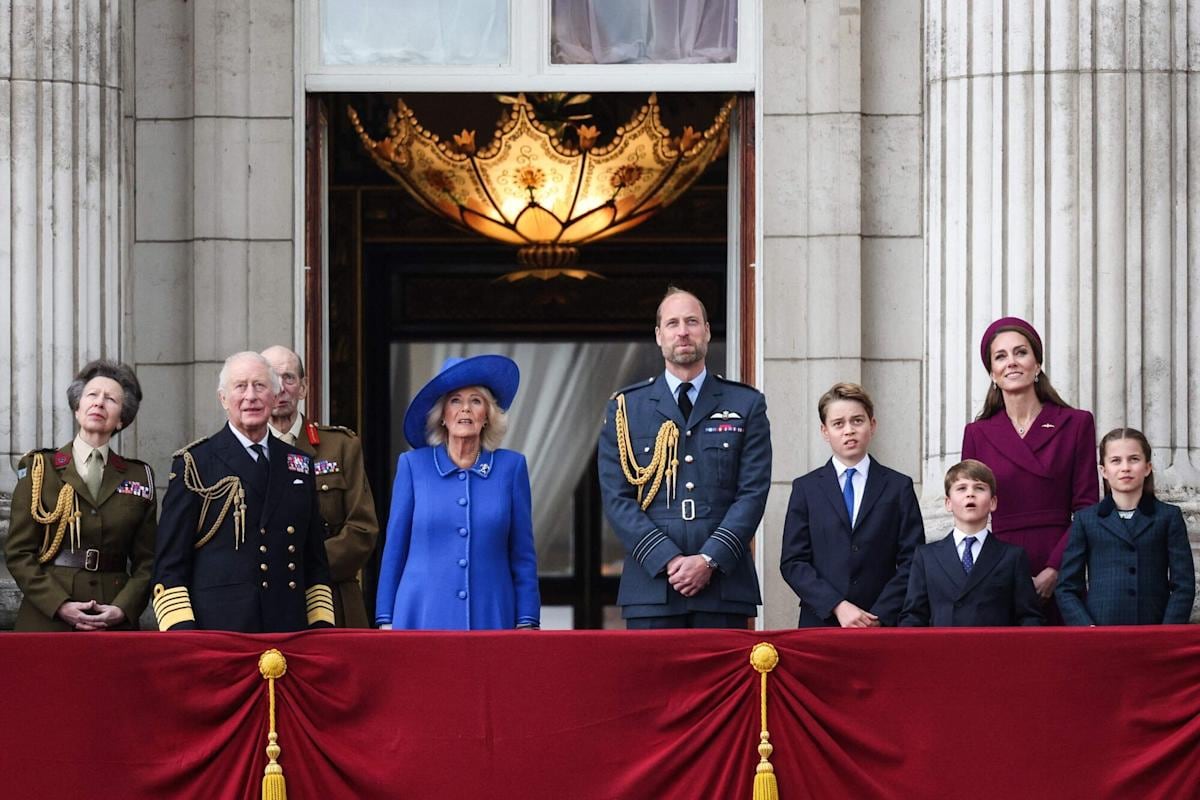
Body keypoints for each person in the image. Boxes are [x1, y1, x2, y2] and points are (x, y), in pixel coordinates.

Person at [598, 287, 771, 629]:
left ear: (706, 331)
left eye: (692, 322)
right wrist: (668, 558)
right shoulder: (626, 409)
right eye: (673, 323)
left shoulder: (746, 404)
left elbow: (752, 493)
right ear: (659, 335)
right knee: (653, 684)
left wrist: (709, 559)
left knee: (723, 685)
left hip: (723, 583)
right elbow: (616, 497)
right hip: (652, 586)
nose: (683, 331)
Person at [151, 351, 334, 632]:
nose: (251, 396)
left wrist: (320, 627)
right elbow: (170, 564)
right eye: (240, 386)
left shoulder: (298, 463)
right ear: (223, 398)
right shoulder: (195, 464)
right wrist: (183, 636)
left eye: (260, 386)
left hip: (288, 629)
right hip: (219, 632)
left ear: (274, 396)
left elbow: (314, 560)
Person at [376, 354, 540, 630]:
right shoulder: (413, 466)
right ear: (442, 416)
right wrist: (386, 618)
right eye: (455, 401)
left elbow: (522, 554)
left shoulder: (511, 468)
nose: (465, 409)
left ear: (487, 416)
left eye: (476, 401)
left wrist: (527, 620)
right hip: (422, 614)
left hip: (492, 614)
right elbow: (395, 548)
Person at [962, 316, 1098, 624]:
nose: (1011, 362)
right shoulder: (977, 433)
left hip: (1061, 561)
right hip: (999, 567)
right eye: (1001, 356)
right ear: (993, 374)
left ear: (1037, 364)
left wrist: (1057, 569)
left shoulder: (1075, 424)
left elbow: (1087, 509)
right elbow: (969, 511)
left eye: (1020, 352)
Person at [5, 360, 157, 631]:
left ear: (122, 418)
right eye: (92, 395)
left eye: (110, 399)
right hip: (48, 616)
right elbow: (18, 552)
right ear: (77, 408)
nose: (99, 403)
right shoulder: (40, 467)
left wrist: (123, 608)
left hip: (112, 616)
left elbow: (149, 560)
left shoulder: (138, 476)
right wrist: (59, 604)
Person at [779, 382, 924, 627]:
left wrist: (878, 615)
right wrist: (837, 605)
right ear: (825, 431)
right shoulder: (806, 488)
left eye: (857, 421)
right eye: (838, 424)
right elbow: (793, 562)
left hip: (881, 623)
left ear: (872, 425)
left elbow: (914, 560)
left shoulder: (898, 487)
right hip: (821, 622)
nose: (849, 430)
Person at [262, 345, 379, 628]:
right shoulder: (245, 453)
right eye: (271, 380)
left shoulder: (340, 446)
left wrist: (300, 565)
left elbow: (362, 531)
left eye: (289, 378)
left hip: (330, 597)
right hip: (265, 602)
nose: (281, 388)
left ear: (303, 388)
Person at [1056, 428, 1195, 626]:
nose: (1125, 467)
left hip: (1153, 631)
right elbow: (1067, 587)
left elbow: (1184, 584)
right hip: (1100, 632)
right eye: (1116, 461)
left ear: (1147, 467)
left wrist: (1167, 631)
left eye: (1134, 459)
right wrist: (1087, 629)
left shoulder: (1168, 517)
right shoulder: (1086, 520)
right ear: (1103, 470)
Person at [899, 460, 1042, 627]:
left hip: (995, 651)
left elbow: (1029, 617)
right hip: (942, 651)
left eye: (979, 488)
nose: (970, 494)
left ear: (993, 502)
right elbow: (914, 617)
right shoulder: (927, 556)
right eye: (961, 488)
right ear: (948, 503)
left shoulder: (1012, 557)